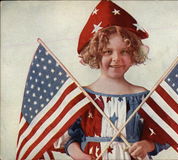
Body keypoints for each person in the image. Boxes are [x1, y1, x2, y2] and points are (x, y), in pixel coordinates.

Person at [64, 0, 169, 159]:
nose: (116, 58)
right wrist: (80, 155)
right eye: (107, 51)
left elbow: (161, 135)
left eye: (124, 52)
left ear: (134, 54)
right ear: (94, 54)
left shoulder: (142, 96)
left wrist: (146, 145)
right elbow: (70, 136)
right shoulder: (83, 97)